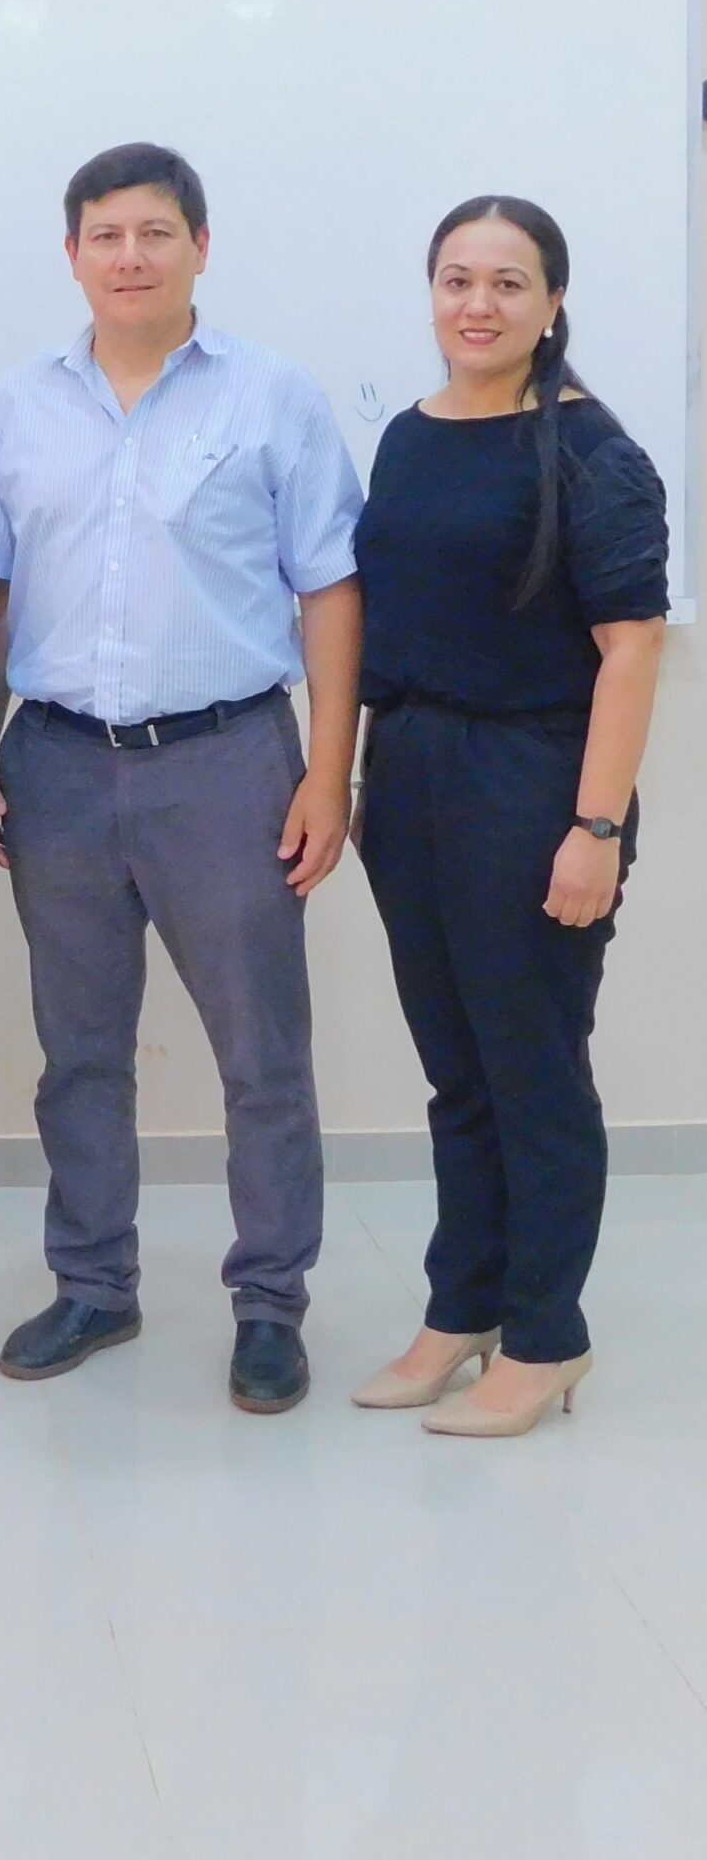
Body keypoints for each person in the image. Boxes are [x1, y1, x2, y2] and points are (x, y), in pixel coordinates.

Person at [0, 143, 363, 1413]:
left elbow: (331, 588)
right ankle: (92, 1282)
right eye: (104, 235)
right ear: (71, 253)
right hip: (60, 765)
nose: (129, 255)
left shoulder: (274, 396)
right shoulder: (20, 403)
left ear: (201, 244)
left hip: (231, 762)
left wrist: (330, 773)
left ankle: (269, 1304)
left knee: (262, 1055)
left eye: (154, 232)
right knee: (78, 1050)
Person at [351, 196, 667, 1437]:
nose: (477, 304)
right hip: (414, 771)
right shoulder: (411, 437)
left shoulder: (592, 452)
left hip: (535, 780)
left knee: (532, 1067)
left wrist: (593, 830)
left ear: (551, 303)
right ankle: (460, 1309)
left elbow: (631, 646)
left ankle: (547, 1336)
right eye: (455, 278)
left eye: (507, 282)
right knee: (456, 1068)